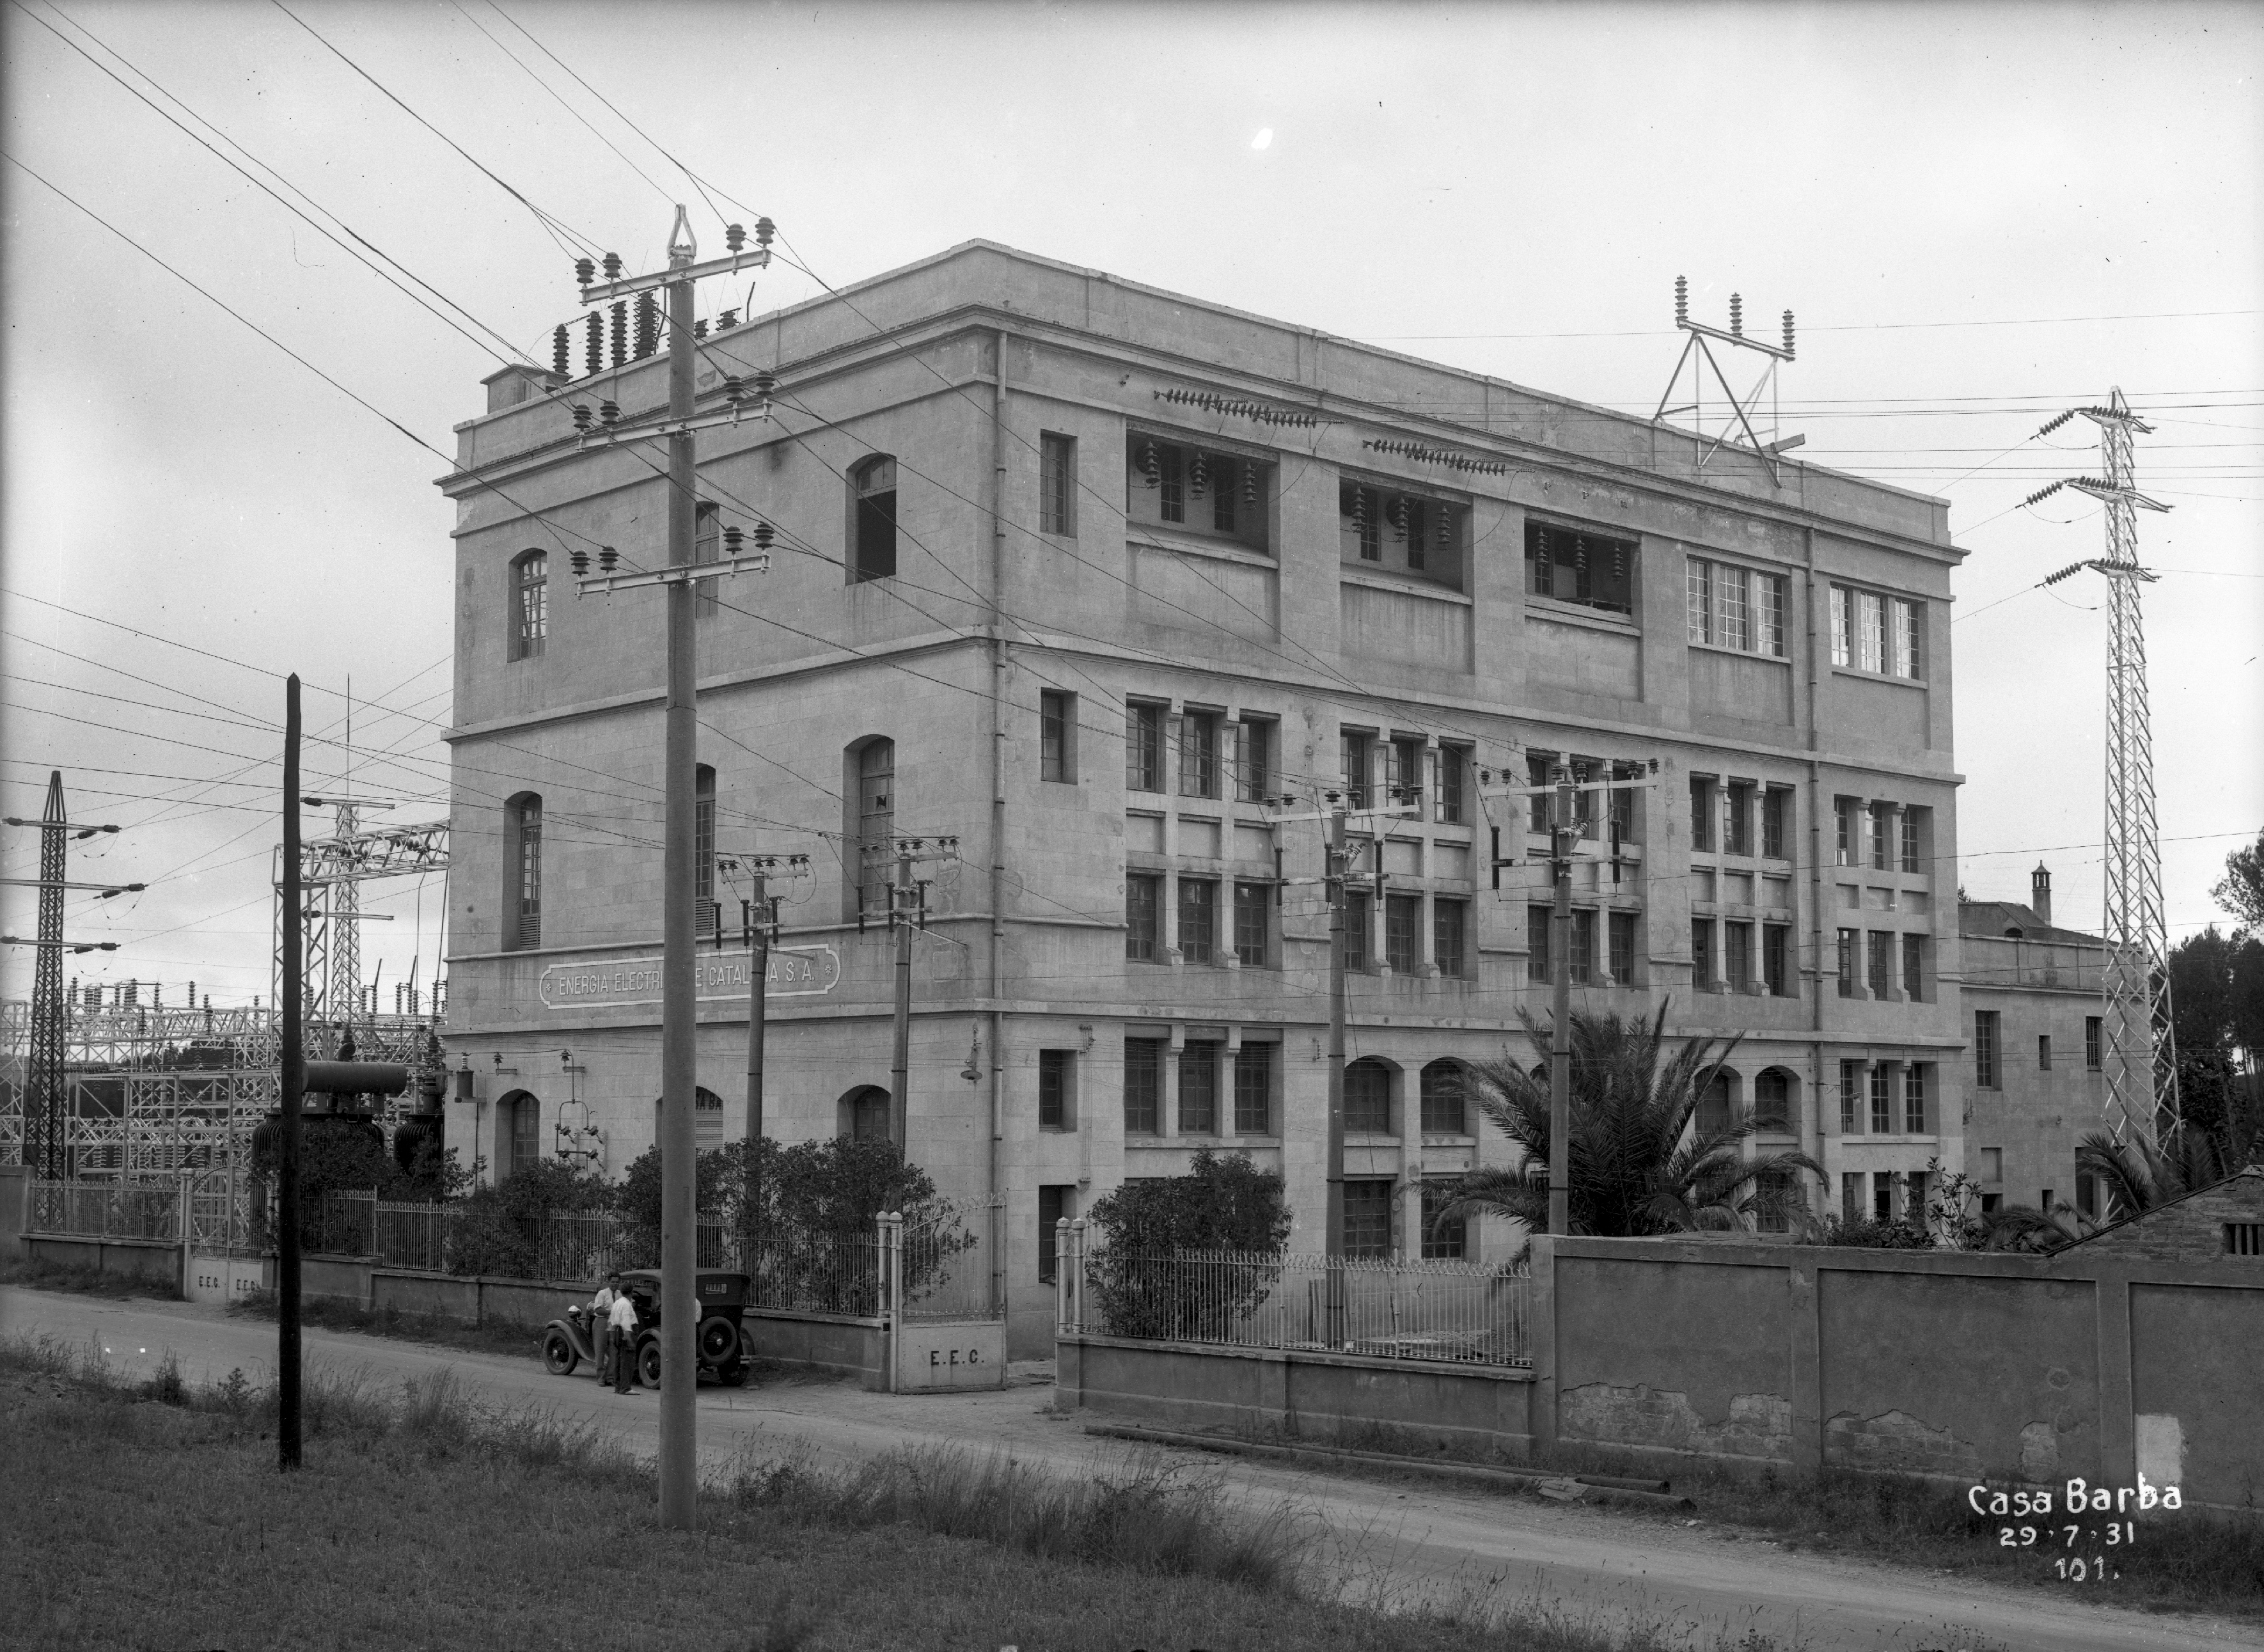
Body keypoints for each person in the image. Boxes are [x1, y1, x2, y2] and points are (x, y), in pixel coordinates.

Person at [590, 1273, 624, 1385]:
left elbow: (629, 1303)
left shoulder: (620, 1294)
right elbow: (598, 1310)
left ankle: (610, 1378)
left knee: (614, 1350)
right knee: (600, 1350)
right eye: (613, 1282)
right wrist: (613, 1312)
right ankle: (601, 1378)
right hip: (602, 1322)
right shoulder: (602, 1293)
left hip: (615, 1323)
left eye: (617, 1282)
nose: (615, 1284)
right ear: (608, 1282)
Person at [607, 1283, 640, 1395]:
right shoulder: (627, 1304)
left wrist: (612, 1337)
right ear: (632, 1292)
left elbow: (611, 1321)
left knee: (619, 1360)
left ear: (621, 1292)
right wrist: (628, 1338)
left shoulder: (617, 1303)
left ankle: (618, 1386)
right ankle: (626, 1387)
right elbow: (626, 1322)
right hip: (626, 1332)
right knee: (627, 1361)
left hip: (617, 1331)